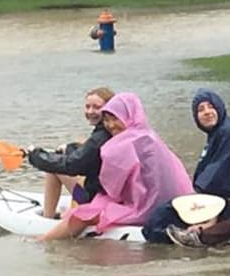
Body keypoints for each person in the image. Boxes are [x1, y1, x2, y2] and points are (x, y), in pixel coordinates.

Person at [38, 92, 193, 241]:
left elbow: (113, 191)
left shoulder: (121, 146)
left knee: (83, 214)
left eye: (115, 119)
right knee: (84, 200)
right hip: (171, 204)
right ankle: (53, 219)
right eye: (106, 119)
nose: (110, 125)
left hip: (145, 209)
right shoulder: (149, 136)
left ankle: (43, 241)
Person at [142, 88, 230, 246]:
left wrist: (206, 216)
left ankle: (188, 240)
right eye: (201, 110)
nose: (207, 112)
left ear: (220, 109)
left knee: (163, 216)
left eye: (211, 107)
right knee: (164, 214)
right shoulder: (217, 136)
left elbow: (215, 182)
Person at [26, 87, 113, 218]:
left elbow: (73, 165)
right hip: (107, 194)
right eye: (87, 106)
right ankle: (51, 214)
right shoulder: (112, 130)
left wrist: (35, 155)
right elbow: (90, 155)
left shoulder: (100, 136)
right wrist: (70, 148)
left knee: (54, 166)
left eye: (96, 107)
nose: (90, 111)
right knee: (55, 161)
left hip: (92, 199)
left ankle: (47, 217)